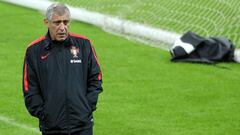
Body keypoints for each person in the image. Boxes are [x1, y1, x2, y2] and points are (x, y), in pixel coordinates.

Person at [22, 3, 103, 135]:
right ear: (46, 22)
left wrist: (86, 107)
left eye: (66, 22)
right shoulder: (34, 50)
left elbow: (96, 77)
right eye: (57, 22)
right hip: (52, 127)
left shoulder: (84, 44)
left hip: (82, 125)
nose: (62, 28)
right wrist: (44, 114)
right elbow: (29, 87)